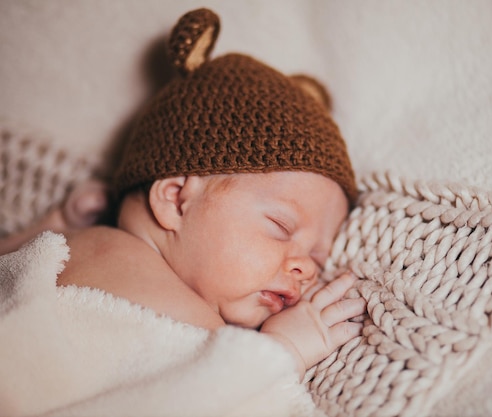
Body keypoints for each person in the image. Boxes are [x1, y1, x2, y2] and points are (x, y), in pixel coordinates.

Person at [2, 8, 365, 381]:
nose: (306, 268)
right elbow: (212, 392)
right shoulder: (187, 317)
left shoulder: (91, 249)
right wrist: (281, 353)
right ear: (176, 198)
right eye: (280, 226)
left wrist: (53, 227)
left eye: (318, 258)